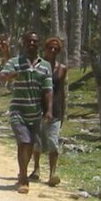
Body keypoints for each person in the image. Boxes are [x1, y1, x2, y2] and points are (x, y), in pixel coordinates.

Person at [0, 31, 52, 193]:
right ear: (24, 43)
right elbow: (1, 77)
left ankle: (23, 172)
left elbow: (48, 90)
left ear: (39, 44)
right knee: (24, 142)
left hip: (35, 112)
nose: (32, 44)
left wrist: (48, 110)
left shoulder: (45, 66)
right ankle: (23, 179)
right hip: (18, 111)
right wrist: (10, 76)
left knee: (30, 145)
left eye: (35, 41)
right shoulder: (15, 62)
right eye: (29, 41)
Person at [32, 36, 67, 187]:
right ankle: (36, 169)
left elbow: (62, 91)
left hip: (56, 109)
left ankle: (52, 173)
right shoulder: (38, 65)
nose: (53, 50)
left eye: (56, 48)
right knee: (37, 142)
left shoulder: (62, 69)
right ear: (45, 48)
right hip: (38, 107)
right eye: (50, 47)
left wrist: (63, 112)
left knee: (53, 142)